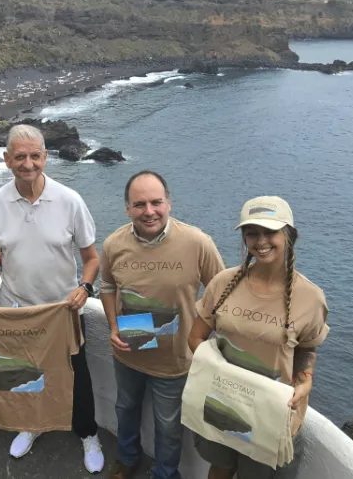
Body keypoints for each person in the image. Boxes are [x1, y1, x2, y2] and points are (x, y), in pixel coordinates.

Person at [0, 124, 105, 473]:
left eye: (35, 155)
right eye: (20, 156)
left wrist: (86, 287)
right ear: (7, 159)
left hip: (62, 310)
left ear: (45, 157)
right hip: (16, 311)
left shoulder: (69, 201)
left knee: (77, 375)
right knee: (22, 374)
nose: (28, 163)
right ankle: (31, 425)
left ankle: (88, 433)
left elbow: (92, 258)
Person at [188, 196, 329, 479]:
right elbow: (196, 338)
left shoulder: (310, 297)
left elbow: (307, 349)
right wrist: (222, 374)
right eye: (252, 232)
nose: (260, 240)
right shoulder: (224, 282)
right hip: (223, 403)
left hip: (272, 416)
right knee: (220, 467)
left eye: (270, 231)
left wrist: (305, 382)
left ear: (289, 235)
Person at [100, 171, 225, 479]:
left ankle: (165, 474)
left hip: (175, 361)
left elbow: (221, 295)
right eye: (139, 204)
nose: (149, 211)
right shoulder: (114, 244)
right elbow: (106, 286)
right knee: (125, 409)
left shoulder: (197, 242)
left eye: (156, 202)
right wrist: (113, 326)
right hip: (128, 352)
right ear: (127, 208)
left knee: (168, 425)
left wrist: (202, 340)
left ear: (169, 203)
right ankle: (128, 460)